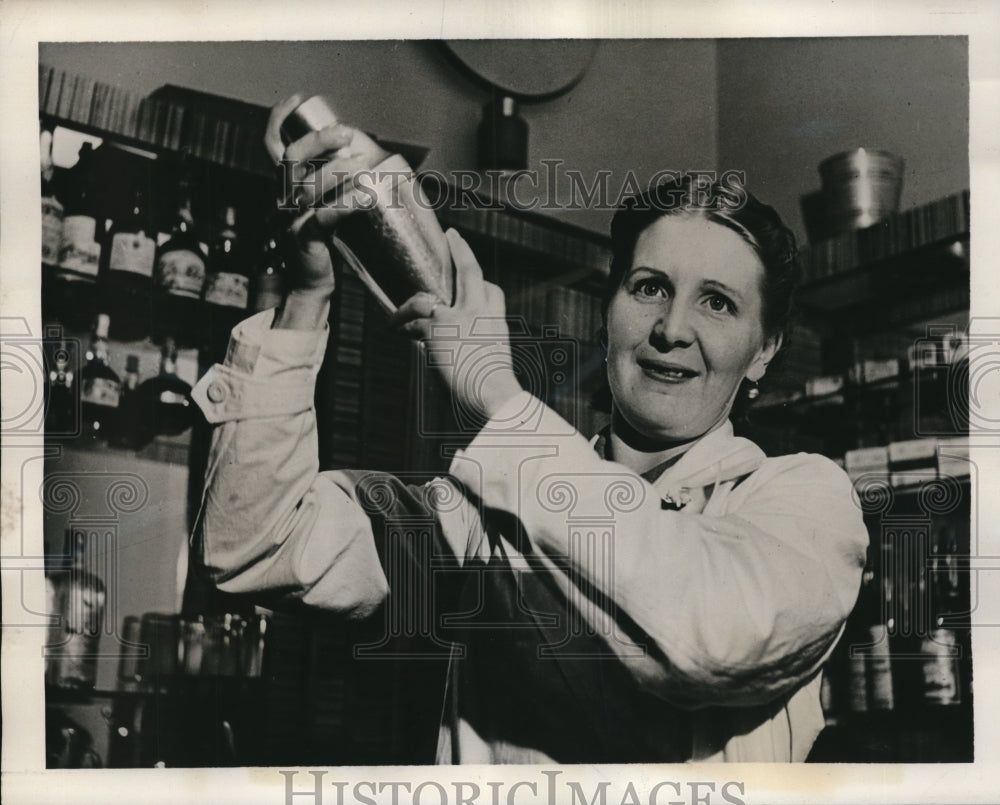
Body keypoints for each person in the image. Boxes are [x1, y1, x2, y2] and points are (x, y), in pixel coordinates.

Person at [189, 96, 868, 763]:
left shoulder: (805, 502)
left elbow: (713, 636)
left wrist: (495, 394)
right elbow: (255, 546)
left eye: (716, 302)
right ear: (609, 312)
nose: (671, 327)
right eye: (649, 286)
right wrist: (306, 299)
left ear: (767, 347)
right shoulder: (482, 512)